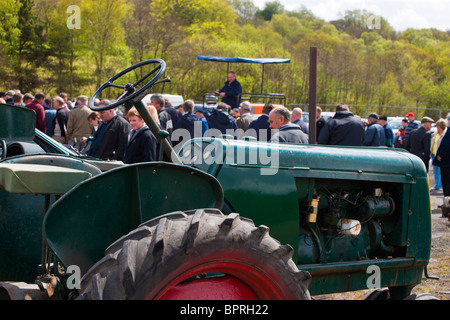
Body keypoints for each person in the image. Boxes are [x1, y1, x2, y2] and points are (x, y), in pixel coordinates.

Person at [433, 121, 450, 197]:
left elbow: (447, 145)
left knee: (447, 183)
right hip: (445, 161)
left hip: (446, 161)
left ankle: (447, 201)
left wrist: (441, 155)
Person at [430, 119, 447, 191]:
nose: (437, 127)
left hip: (440, 154)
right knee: (435, 170)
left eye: (438, 126)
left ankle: (440, 185)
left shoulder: (445, 134)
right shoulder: (435, 133)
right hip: (434, 153)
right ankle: (437, 185)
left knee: (440, 171)